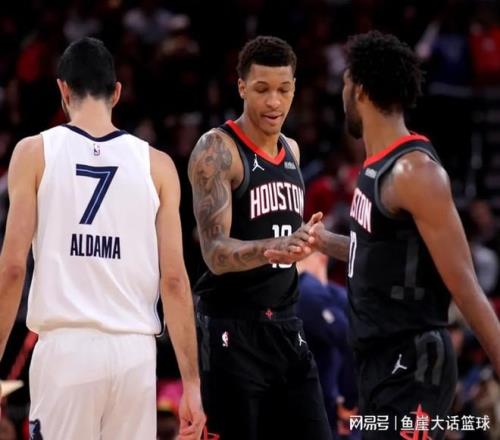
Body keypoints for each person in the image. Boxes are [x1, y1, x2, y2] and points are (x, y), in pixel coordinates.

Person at [265, 31, 500, 439]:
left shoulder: (415, 172)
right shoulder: (377, 166)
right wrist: (324, 242)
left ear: (359, 88)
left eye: (344, 84)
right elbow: (379, 253)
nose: (342, 95)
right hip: (379, 365)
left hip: (413, 365)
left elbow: (466, 287)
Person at [0, 37, 205, 440]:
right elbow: (175, 281)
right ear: (117, 92)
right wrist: (192, 385)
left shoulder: (34, 152)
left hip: (67, 351)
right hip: (135, 356)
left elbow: (11, 270)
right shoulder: (159, 165)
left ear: (62, 90)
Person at [188, 35, 330, 440]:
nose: (274, 102)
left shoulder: (293, 151)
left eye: (283, 90)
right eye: (262, 89)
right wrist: (272, 248)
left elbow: (295, 237)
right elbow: (215, 253)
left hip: (286, 325)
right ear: (241, 87)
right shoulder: (218, 149)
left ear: (295, 89)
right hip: (232, 329)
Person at [296, 252, 359, 439]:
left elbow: (350, 340)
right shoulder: (310, 291)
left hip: (323, 407)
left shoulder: (313, 291)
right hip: (317, 406)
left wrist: (349, 401)